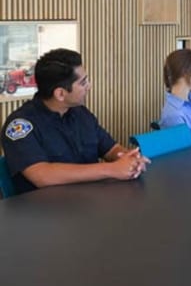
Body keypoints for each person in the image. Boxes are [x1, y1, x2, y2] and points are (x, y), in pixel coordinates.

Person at [0, 48, 148, 194]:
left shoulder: (80, 113)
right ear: (60, 94)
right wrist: (111, 169)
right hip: (47, 207)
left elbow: (110, 148)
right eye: (83, 83)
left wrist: (129, 159)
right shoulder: (21, 125)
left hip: (90, 199)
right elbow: (42, 175)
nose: (89, 87)